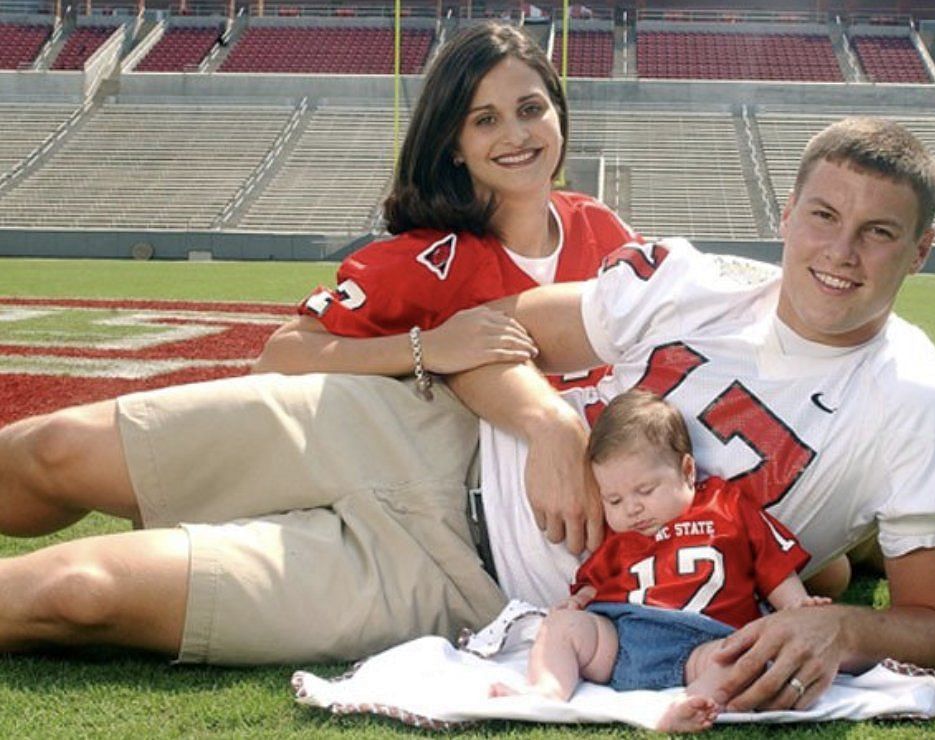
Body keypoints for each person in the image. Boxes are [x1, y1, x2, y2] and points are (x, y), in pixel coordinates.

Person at [0, 22, 637, 665]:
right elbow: (281, 355)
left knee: (83, 593)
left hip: (457, 570)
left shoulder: (608, 236)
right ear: (453, 144)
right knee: (56, 449)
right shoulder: (428, 257)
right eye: (485, 120)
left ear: (559, 113)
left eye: (531, 109)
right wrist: (427, 348)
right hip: (391, 436)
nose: (517, 135)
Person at [448, 116, 935, 712]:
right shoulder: (701, 284)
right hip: (453, 443)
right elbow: (484, 332)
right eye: (824, 216)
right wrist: (548, 423)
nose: (842, 253)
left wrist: (843, 628)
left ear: (920, 249)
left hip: (479, 591)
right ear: (787, 214)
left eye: (878, 232)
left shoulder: (926, 412)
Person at [491, 390, 829, 733]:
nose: (631, 509)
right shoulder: (619, 535)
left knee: (743, 659)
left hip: (705, 641)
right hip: (622, 641)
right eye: (615, 499)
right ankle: (545, 691)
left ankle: (689, 704)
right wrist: (579, 600)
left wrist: (798, 606)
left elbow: (773, 566)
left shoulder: (727, 507)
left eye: (645, 490)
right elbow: (595, 582)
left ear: (687, 470)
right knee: (561, 624)